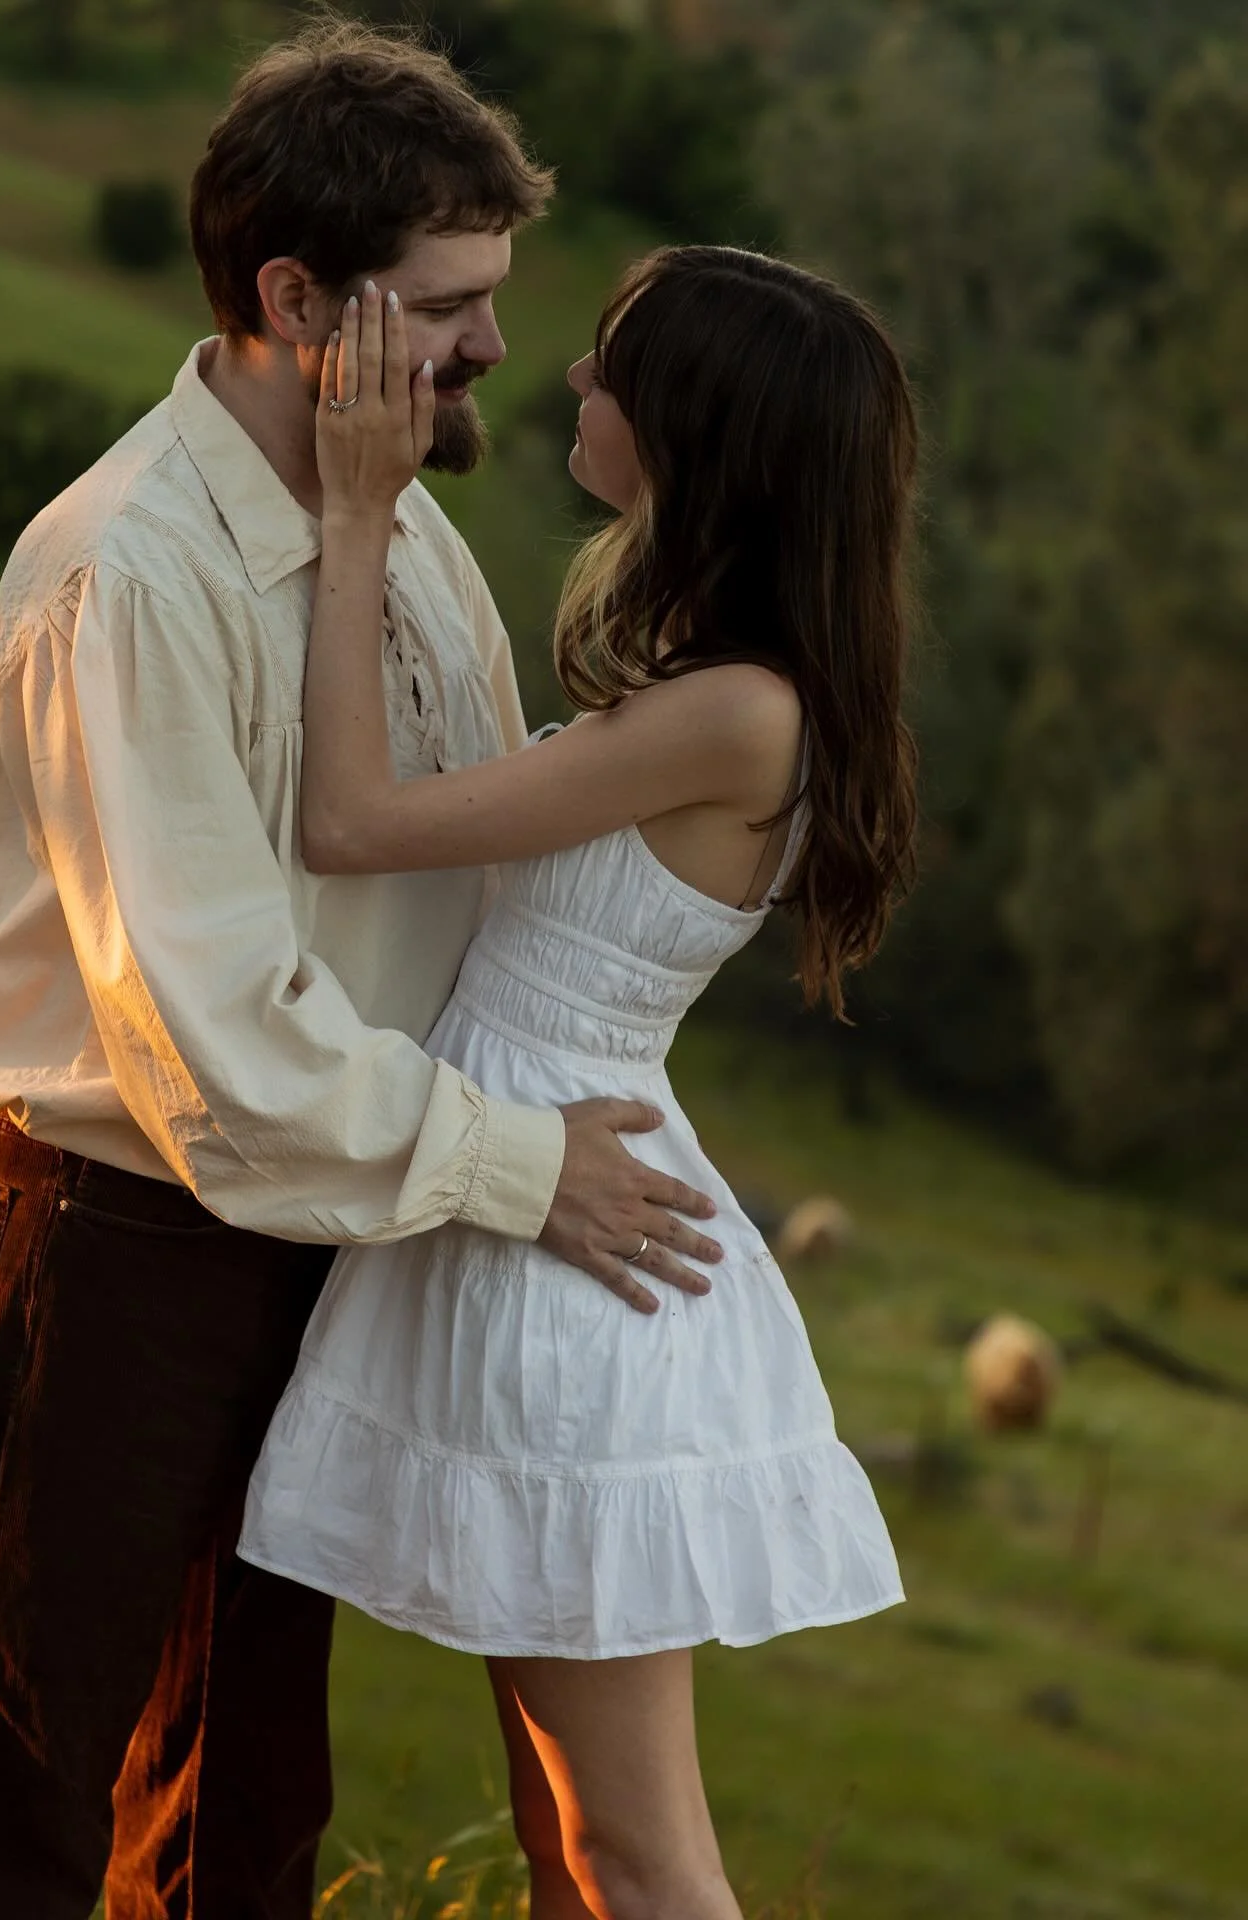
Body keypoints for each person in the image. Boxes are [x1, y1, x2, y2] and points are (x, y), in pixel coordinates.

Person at [0, 23, 725, 1919]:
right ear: (295, 299)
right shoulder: (131, 571)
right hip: (122, 1237)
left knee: (246, 1802)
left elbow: (461, 892)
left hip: (339, 1231)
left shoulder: (407, 539)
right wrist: (532, 1171)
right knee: (21, 1807)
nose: (496, 350)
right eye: (449, 306)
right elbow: (207, 1043)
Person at [239, 252, 920, 1918]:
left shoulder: (739, 715)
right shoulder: (706, 682)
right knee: (570, 1843)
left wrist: (351, 521)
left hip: (571, 1261)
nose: (569, 385)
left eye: (610, 367)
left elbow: (355, 823)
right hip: (526, 1192)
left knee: (635, 1852)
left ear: (696, 429)